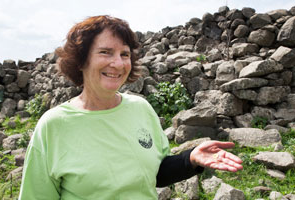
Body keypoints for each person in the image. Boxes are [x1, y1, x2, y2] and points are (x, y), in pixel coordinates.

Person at [19, 15, 243, 199]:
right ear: (81, 60)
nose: (118, 63)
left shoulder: (140, 108)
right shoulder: (54, 125)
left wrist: (190, 159)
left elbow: (154, 173)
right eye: (105, 52)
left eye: (124, 54)